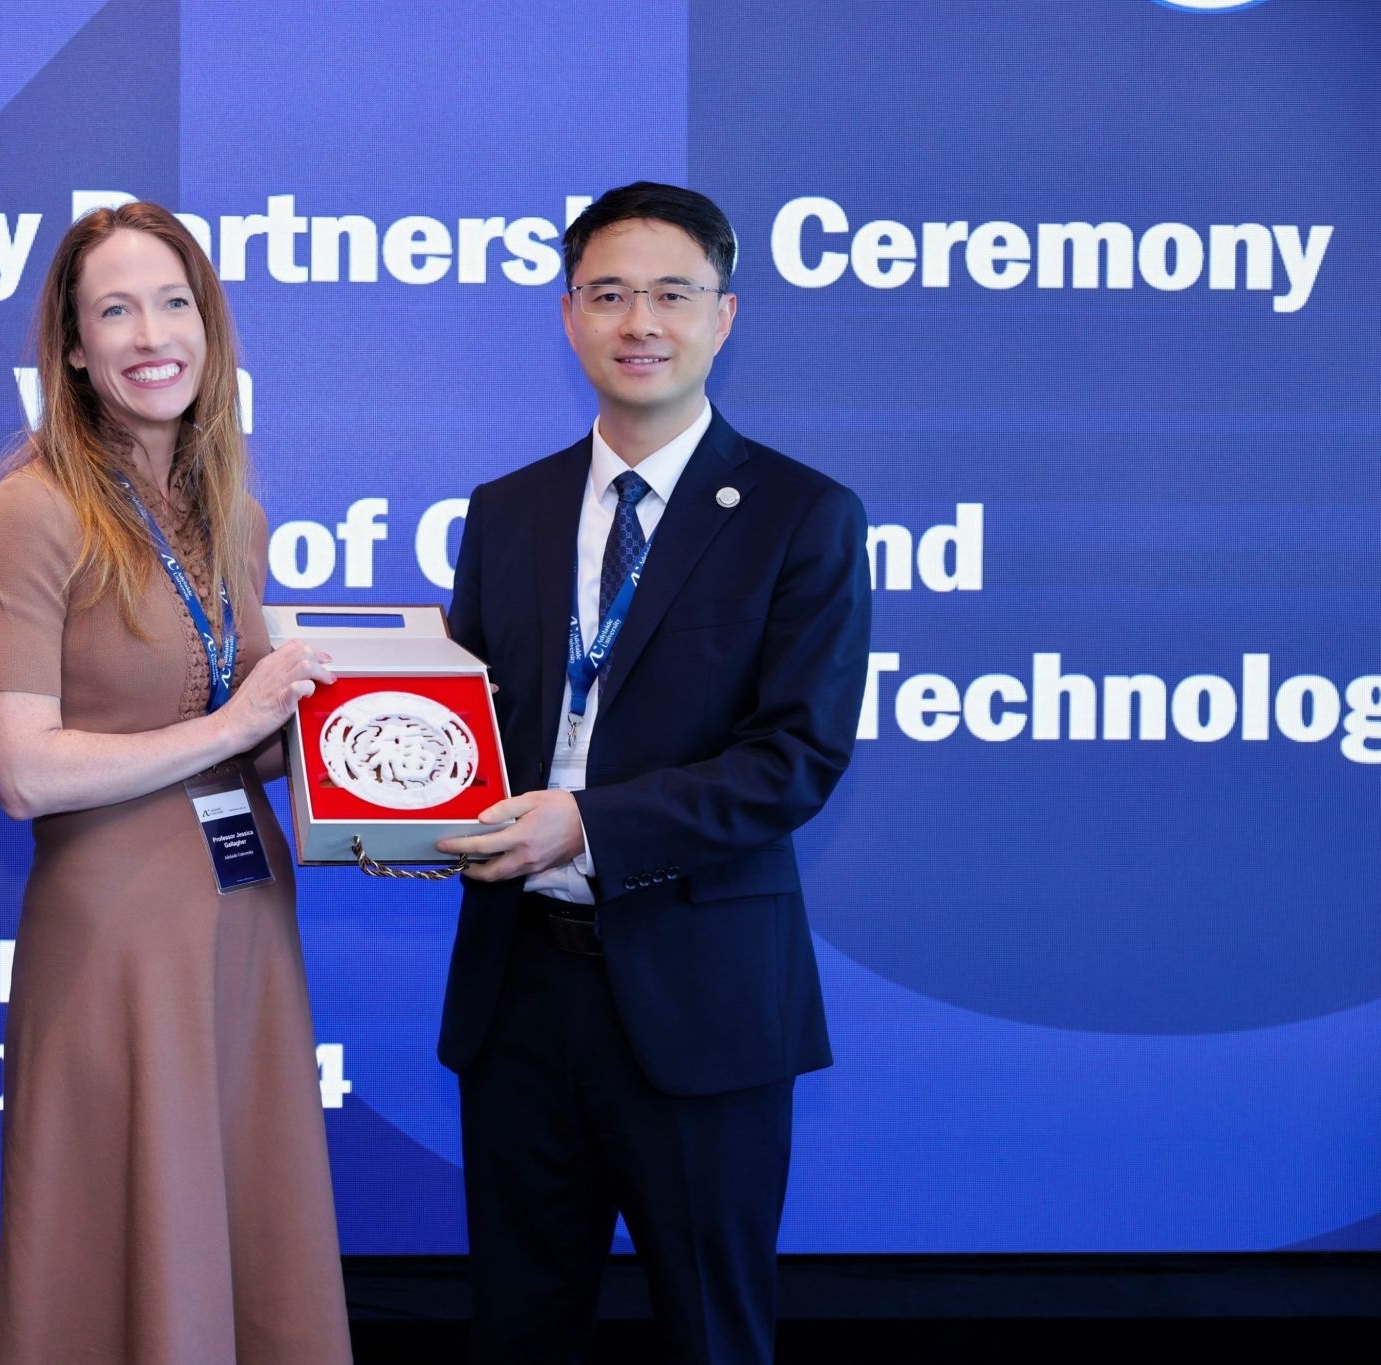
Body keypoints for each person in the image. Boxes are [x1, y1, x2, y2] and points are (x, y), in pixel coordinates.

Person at [434, 181, 872, 1364]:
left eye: (671, 294)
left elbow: (792, 760)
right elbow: (466, 724)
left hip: (701, 998)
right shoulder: (506, 511)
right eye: (608, 294)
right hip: (517, 992)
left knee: (711, 1336)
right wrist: (397, 798)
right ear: (567, 315)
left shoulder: (801, 516)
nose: (639, 322)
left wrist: (584, 825)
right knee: (516, 1333)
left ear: (721, 317)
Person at [0, 200, 350, 1365]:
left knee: (248, 1230)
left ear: (209, 325)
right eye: (115, 311)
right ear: (74, 349)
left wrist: (375, 784)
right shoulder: (34, 506)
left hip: (243, 923)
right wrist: (235, 721)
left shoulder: (229, 511)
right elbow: (20, 769)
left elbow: (250, 738)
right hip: (118, 942)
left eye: (173, 303)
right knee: (128, 1252)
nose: (150, 336)